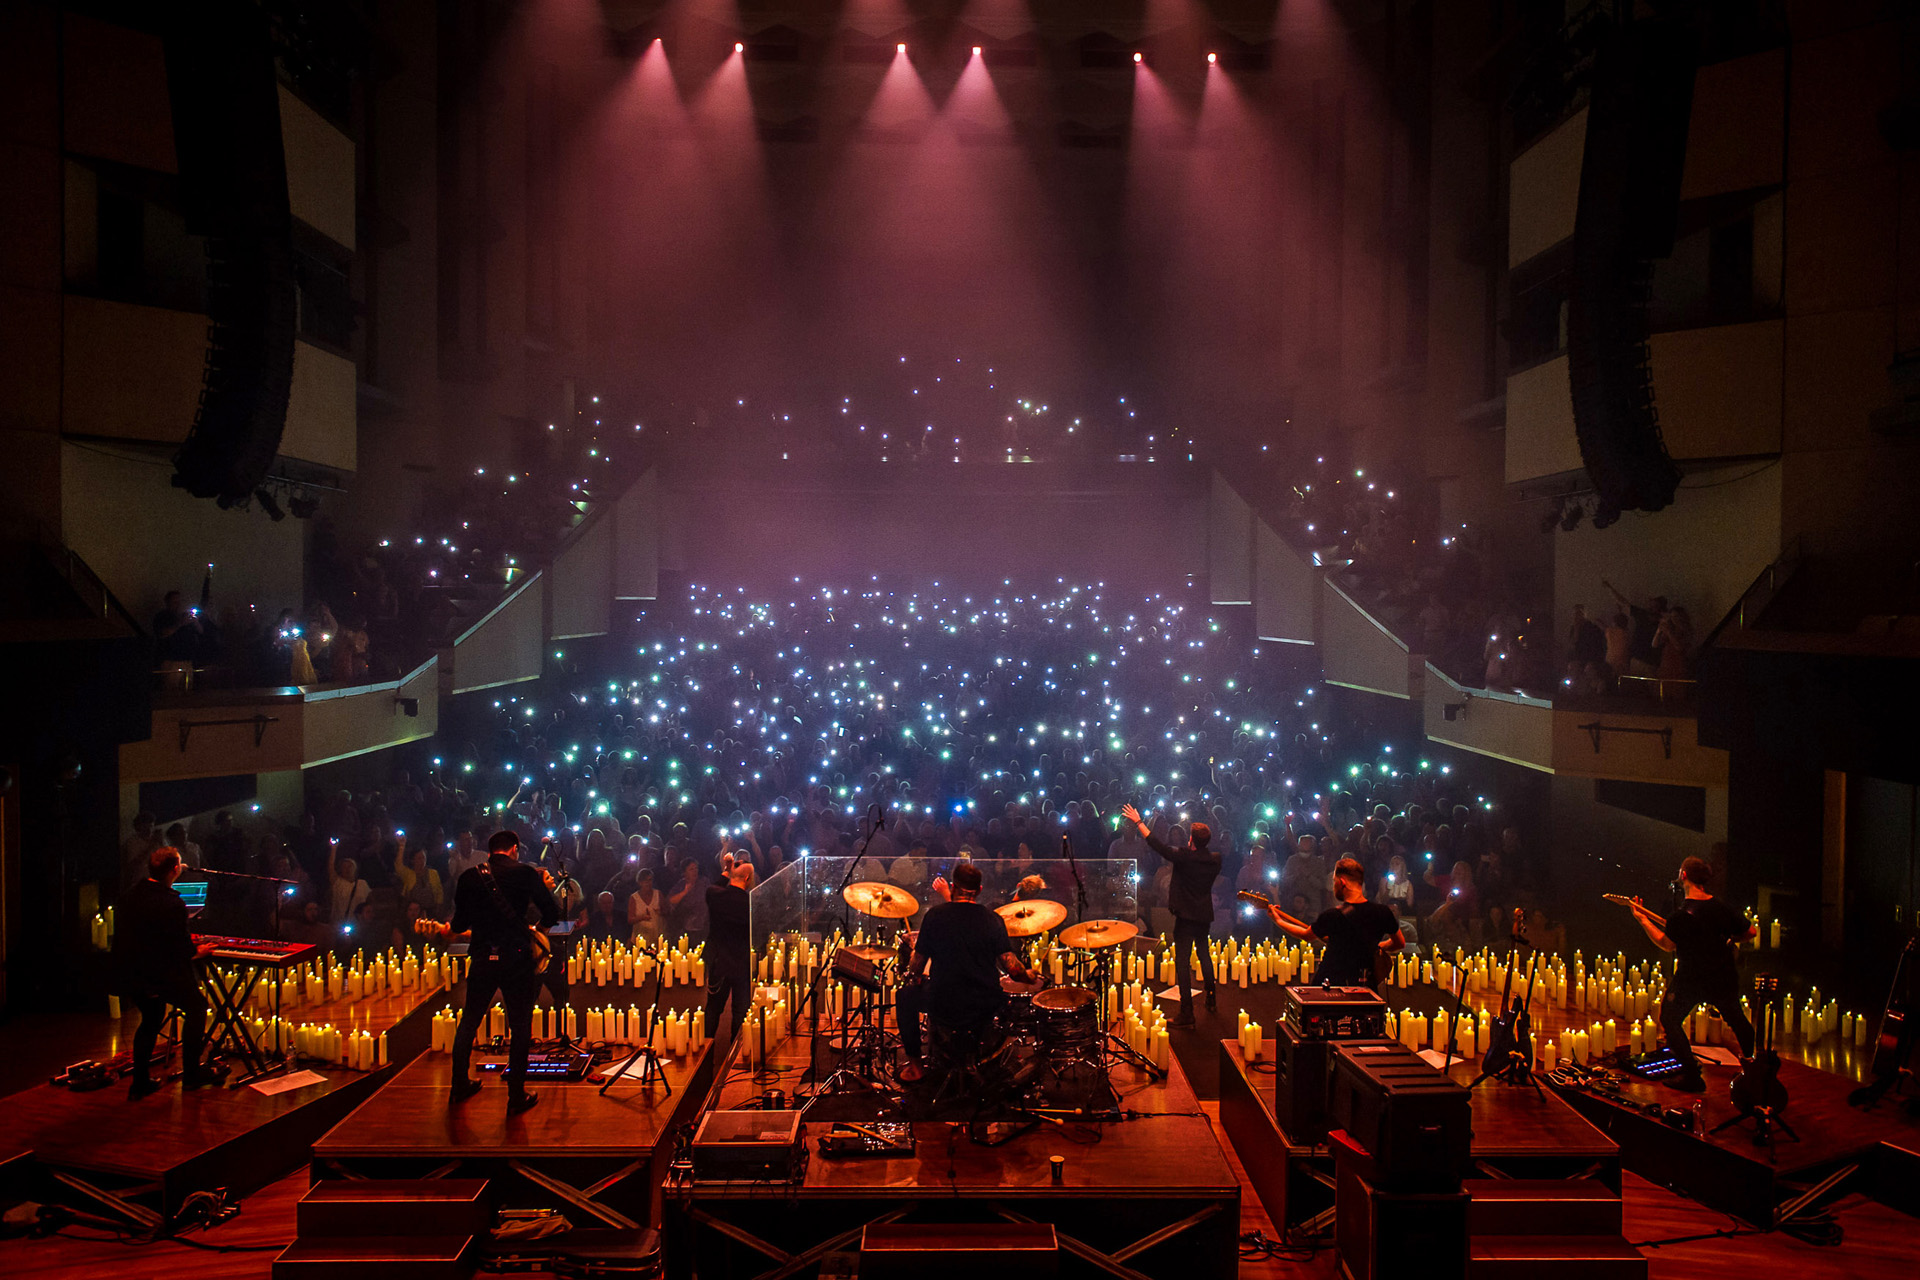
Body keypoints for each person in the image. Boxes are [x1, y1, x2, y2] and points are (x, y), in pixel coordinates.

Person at [447, 831, 560, 1112]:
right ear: (514, 849)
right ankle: (515, 1096)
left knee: (470, 1021)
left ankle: (459, 1085)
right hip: (517, 957)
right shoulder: (525, 873)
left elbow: (459, 926)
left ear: (489, 851)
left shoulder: (468, 877)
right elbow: (551, 912)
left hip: (483, 956)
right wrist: (538, 932)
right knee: (520, 1025)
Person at [896, 860, 1034, 1082]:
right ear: (979, 890)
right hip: (984, 1005)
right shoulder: (993, 920)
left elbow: (917, 967)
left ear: (952, 886)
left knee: (904, 996)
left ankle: (916, 1067)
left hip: (944, 1003)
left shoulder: (934, 916)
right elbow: (1013, 969)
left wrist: (916, 966)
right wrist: (1028, 975)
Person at [1631, 856, 1756, 1092]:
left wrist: (1642, 920)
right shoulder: (1721, 908)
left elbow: (1666, 944)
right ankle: (1752, 1067)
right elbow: (1751, 931)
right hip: (1722, 976)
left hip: (1691, 979)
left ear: (1684, 876)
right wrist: (1730, 939)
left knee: (1669, 1018)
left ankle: (1691, 1075)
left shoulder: (1680, 916)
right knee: (1738, 1020)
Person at [113, 846, 220, 1098]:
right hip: (162, 974)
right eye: (179, 865)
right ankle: (192, 1075)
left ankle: (139, 1083)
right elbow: (183, 949)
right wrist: (200, 950)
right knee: (196, 1007)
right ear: (174, 869)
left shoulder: (130, 896)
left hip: (135, 972)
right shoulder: (172, 903)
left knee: (150, 1021)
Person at [1121, 803, 1220, 1026]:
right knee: (1204, 955)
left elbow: (1158, 846)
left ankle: (1187, 1012)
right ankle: (1211, 998)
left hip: (1185, 917)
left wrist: (1139, 822)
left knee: (1183, 962)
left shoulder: (1185, 857)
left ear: (1191, 841)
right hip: (1204, 915)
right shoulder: (1215, 859)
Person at [1264, 857, 1405, 988]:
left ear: (1342, 882)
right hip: (1366, 985)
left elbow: (1306, 935)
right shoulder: (1383, 912)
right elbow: (1399, 943)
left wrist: (1277, 920)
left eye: (1334, 881)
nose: (1333, 886)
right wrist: (1377, 946)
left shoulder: (1333, 915)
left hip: (1332, 983)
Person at [704, 860, 755, 1034]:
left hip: (719, 962)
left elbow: (714, 887)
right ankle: (736, 1056)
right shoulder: (750, 904)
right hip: (741, 964)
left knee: (712, 1010)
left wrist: (726, 872)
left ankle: (706, 1056)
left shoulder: (715, 895)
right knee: (740, 1013)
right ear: (748, 878)